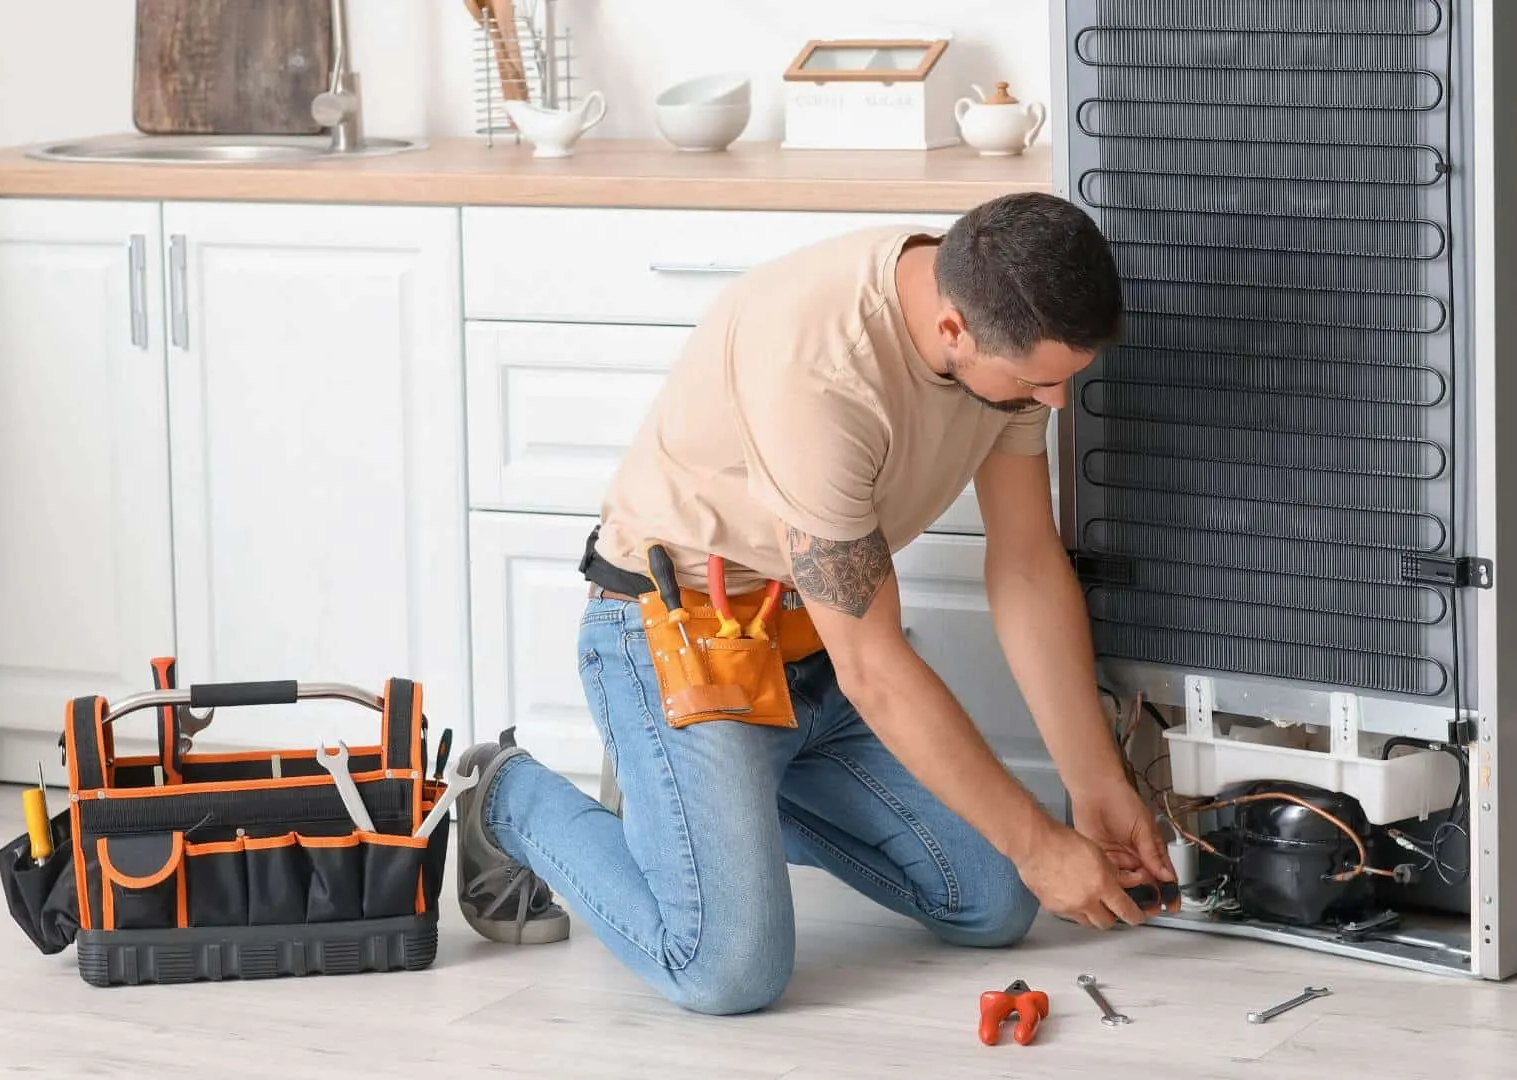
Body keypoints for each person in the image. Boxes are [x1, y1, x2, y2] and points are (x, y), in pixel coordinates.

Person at [446, 190, 1177, 1015]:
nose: (1054, 403)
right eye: (1037, 382)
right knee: (726, 970)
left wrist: (1094, 782)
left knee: (994, 901)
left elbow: (1027, 566)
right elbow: (875, 667)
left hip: (811, 648)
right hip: (684, 638)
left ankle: (714, 814)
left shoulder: (1000, 324)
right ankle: (504, 795)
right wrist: (1039, 843)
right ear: (953, 329)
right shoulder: (821, 372)